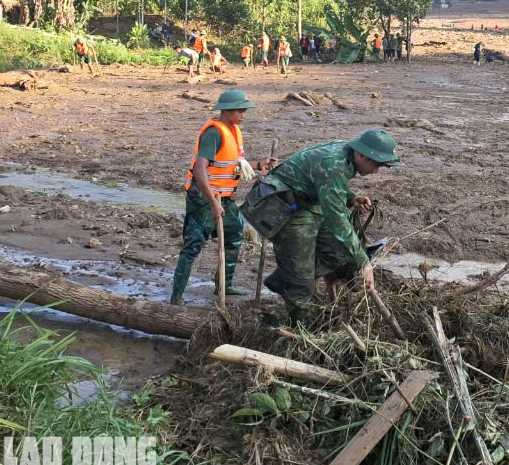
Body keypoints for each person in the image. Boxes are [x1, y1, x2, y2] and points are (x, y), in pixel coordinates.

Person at [263, 130, 400, 323]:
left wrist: (351, 198)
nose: (376, 171)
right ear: (361, 154)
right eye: (375, 164)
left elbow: (329, 184)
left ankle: (281, 280)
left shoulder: (347, 153)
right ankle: (299, 326)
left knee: (338, 251)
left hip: (307, 202)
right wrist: (364, 263)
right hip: (284, 208)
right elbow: (336, 219)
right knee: (302, 279)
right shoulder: (334, 163)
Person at [170, 90, 274, 305]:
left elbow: (233, 164)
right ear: (226, 110)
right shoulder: (213, 133)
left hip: (224, 197)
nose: (244, 114)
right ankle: (176, 297)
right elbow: (200, 171)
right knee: (193, 244)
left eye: (244, 110)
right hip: (204, 199)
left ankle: (223, 286)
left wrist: (258, 165)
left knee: (234, 235)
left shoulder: (233, 130)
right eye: (240, 110)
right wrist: (212, 204)